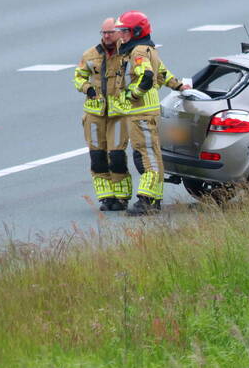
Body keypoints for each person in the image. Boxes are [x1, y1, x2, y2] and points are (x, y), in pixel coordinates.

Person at [113, 11, 188, 215]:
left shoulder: (138, 52)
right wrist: (180, 86)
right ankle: (153, 199)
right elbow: (163, 73)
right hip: (146, 113)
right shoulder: (147, 49)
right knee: (151, 154)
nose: (121, 35)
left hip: (141, 114)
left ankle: (146, 201)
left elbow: (146, 76)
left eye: (125, 31)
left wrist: (131, 95)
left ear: (136, 31)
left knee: (145, 157)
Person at [73, 18, 132, 211]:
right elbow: (78, 77)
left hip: (118, 114)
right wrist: (87, 88)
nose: (107, 36)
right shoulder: (90, 54)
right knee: (97, 157)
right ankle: (106, 197)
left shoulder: (128, 52)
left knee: (116, 156)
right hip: (95, 113)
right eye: (104, 33)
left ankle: (122, 197)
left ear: (118, 33)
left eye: (111, 32)